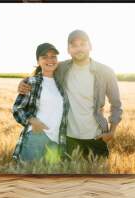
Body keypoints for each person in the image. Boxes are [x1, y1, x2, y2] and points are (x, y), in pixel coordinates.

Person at [18, 30, 122, 159]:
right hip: (68, 139)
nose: (79, 49)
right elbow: (44, 70)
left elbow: (116, 104)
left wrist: (112, 132)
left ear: (90, 46)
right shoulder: (62, 68)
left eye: (82, 44)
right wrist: (24, 82)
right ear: (68, 49)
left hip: (97, 137)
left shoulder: (105, 72)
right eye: (74, 45)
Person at [12, 43, 69, 162]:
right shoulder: (32, 82)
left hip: (56, 141)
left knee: (49, 179)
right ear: (38, 61)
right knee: (28, 177)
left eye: (53, 56)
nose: (50, 60)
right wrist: (33, 121)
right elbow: (17, 108)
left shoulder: (61, 84)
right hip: (36, 137)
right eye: (44, 57)